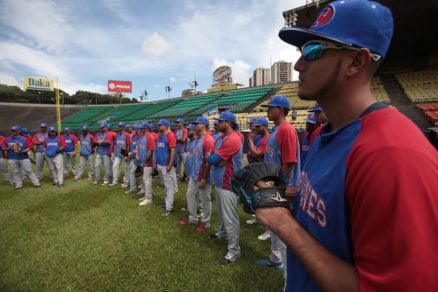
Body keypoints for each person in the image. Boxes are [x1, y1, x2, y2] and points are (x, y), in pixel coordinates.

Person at [255, 1, 438, 291]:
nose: (299, 64)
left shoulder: (392, 155)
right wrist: (286, 196)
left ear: (357, 62)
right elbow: (332, 207)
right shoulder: (326, 133)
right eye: (301, 51)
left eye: (313, 50)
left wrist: (284, 225)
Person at [258, 95, 300, 276]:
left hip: (282, 188)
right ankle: (275, 260)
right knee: (274, 228)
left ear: (281, 110)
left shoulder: (287, 129)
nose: (268, 110)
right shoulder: (277, 129)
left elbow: (289, 162)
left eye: (271, 107)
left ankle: (289, 282)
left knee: (284, 235)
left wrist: (279, 188)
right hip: (273, 186)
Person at [207, 111, 242, 265]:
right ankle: (222, 233)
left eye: (220, 121)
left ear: (227, 123)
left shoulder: (233, 139)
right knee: (221, 213)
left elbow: (213, 158)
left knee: (230, 219)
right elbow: (214, 158)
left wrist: (217, 159)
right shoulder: (221, 137)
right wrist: (217, 159)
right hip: (219, 181)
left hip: (229, 183)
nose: (217, 123)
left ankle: (234, 251)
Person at [180, 117, 215, 232]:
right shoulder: (196, 140)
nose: (195, 125)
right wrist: (189, 174)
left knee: (204, 199)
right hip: (194, 175)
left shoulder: (208, 140)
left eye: (197, 124)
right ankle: (193, 218)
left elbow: (208, 161)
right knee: (190, 195)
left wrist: (204, 178)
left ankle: (206, 222)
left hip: (204, 176)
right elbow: (195, 159)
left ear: (204, 125)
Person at [155, 119, 177, 216]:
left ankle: (169, 208)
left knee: (169, 187)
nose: (158, 126)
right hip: (160, 164)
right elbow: (158, 149)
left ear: (165, 125)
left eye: (160, 125)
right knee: (165, 185)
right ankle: (166, 203)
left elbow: (172, 151)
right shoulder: (160, 136)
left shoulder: (170, 135)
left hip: (166, 165)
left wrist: (170, 164)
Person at [138, 122, 155, 205]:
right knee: (144, 179)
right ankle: (146, 195)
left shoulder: (150, 136)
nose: (140, 129)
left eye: (142, 128)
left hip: (148, 162)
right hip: (143, 161)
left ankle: (148, 198)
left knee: (147, 180)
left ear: (146, 128)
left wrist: (145, 162)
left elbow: (150, 150)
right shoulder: (142, 136)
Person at [110, 122, 131, 186]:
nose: (119, 127)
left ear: (124, 127)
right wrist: (114, 153)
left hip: (124, 151)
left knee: (126, 168)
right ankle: (115, 181)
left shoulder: (127, 134)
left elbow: (128, 145)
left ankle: (127, 181)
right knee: (115, 166)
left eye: (120, 126)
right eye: (119, 126)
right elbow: (116, 144)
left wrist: (126, 154)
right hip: (118, 152)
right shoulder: (117, 135)